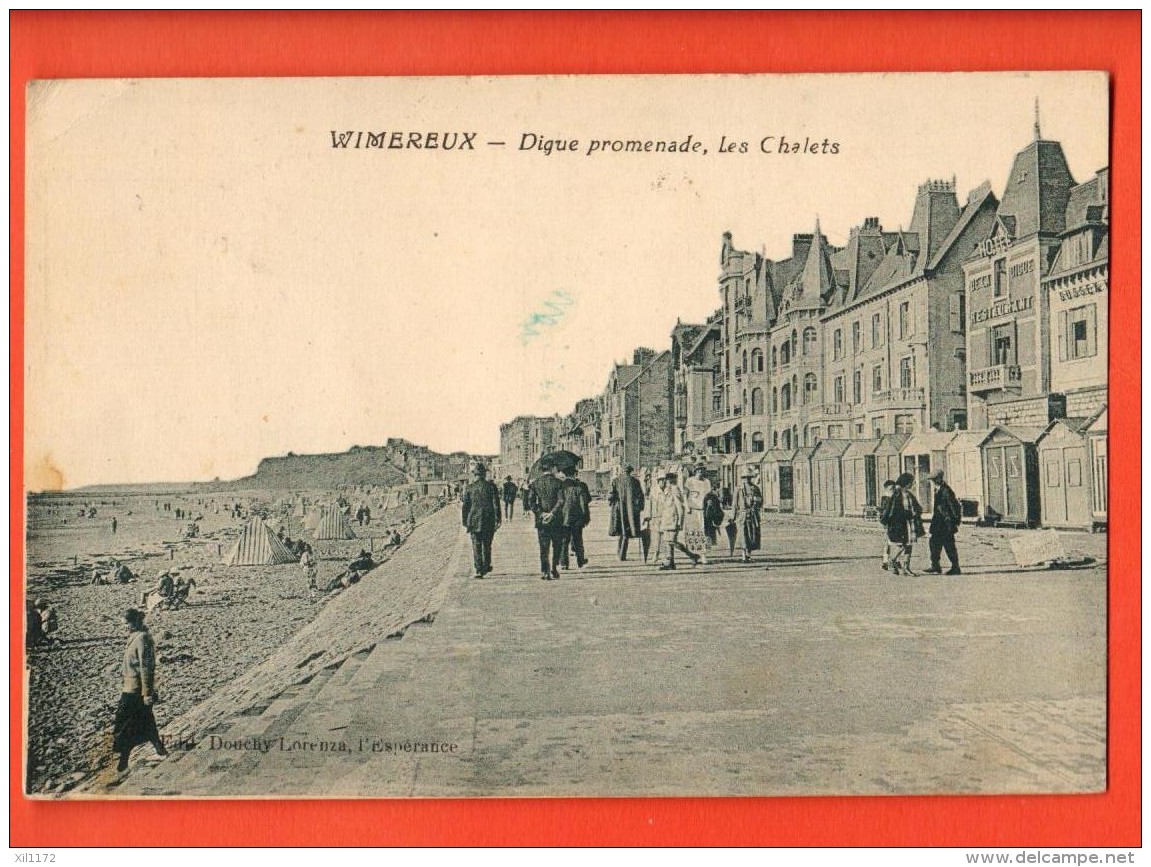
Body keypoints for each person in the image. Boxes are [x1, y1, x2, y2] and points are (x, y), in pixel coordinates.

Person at [112, 608, 168, 772]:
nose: (124, 627)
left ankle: (123, 763)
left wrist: (147, 693)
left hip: (136, 691)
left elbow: (147, 668)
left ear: (136, 622)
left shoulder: (143, 638)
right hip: (130, 688)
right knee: (146, 721)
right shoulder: (134, 637)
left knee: (124, 725)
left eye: (126, 624)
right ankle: (159, 750)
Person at [461, 463, 502, 579]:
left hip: (474, 520)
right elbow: (496, 504)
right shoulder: (491, 487)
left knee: (476, 545)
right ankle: (486, 564)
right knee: (487, 544)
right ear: (484, 474)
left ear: (475, 474)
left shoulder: (469, 488)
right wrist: (498, 519)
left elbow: (465, 507)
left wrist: (464, 521)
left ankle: (479, 570)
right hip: (489, 519)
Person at [527, 458, 565, 580]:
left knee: (544, 547)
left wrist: (541, 513)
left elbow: (531, 502)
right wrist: (552, 513)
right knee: (557, 545)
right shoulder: (558, 483)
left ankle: (545, 571)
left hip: (541, 521)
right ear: (552, 468)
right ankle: (554, 567)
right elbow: (561, 500)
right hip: (556, 519)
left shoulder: (535, 484)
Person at [881, 473, 924, 576]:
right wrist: (909, 513)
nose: (912, 484)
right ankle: (892, 560)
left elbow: (917, 507)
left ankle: (906, 568)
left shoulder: (908, 493)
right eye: (911, 482)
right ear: (905, 483)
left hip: (910, 523)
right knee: (902, 545)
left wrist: (916, 512)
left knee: (909, 545)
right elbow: (894, 511)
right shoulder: (897, 494)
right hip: (900, 524)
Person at [657, 471, 700, 571]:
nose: (664, 482)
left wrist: (680, 521)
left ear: (669, 480)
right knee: (668, 542)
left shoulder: (675, 489)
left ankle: (692, 555)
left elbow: (680, 506)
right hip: (666, 519)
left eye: (666, 480)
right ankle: (671, 563)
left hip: (673, 519)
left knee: (671, 541)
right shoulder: (666, 490)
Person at [924, 470, 962, 575]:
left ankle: (955, 567)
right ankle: (935, 565)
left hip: (945, 523)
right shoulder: (939, 489)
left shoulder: (946, 490)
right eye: (932, 480)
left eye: (934, 480)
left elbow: (954, 506)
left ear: (939, 479)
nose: (933, 482)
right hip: (939, 522)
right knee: (934, 543)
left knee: (948, 545)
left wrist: (955, 521)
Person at [555, 465, 591, 570]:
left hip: (563, 517)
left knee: (564, 540)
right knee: (578, 540)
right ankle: (580, 562)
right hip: (577, 518)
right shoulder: (580, 486)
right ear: (574, 474)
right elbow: (585, 502)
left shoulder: (560, 486)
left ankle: (563, 563)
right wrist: (585, 517)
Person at [608, 465, 645, 562]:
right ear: (630, 471)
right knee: (626, 531)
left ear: (622, 471)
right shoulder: (635, 482)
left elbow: (611, 496)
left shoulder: (616, 481)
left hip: (619, 509)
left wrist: (611, 503)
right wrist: (639, 508)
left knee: (621, 530)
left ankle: (620, 553)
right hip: (631, 511)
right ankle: (621, 553)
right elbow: (640, 496)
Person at [732, 468, 764, 564]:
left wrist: (755, 507)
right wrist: (732, 517)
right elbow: (734, 504)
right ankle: (743, 556)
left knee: (752, 535)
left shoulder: (756, 489)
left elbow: (760, 501)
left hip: (753, 515)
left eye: (749, 478)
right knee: (743, 535)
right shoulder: (738, 489)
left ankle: (749, 555)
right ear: (742, 478)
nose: (747, 480)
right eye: (745, 478)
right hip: (742, 515)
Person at [684, 465, 714, 565]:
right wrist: (687, 507)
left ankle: (703, 555)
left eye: (702, 469)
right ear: (695, 471)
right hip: (692, 510)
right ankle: (693, 555)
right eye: (698, 470)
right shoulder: (689, 481)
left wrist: (710, 503)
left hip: (704, 510)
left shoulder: (707, 482)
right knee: (693, 532)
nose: (700, 471)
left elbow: (710, 495)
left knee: (704, 532)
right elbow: (685, 495)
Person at [878, 480, 896, 571]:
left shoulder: (894, 497)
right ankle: (885, 561)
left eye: (894, 488)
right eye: (891, 488)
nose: (893, 490)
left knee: (896, 542)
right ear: (886, 489)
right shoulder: (886, 498)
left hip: (895, 522)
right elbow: (884, 511)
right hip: (889, 522)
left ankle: (892, 560)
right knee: (888, 542)